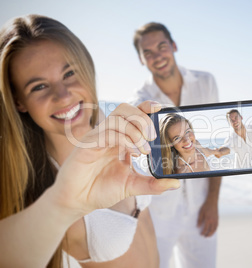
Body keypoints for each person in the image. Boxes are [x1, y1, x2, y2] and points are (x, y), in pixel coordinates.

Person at [0, 14, 180, 268]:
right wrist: (63, 203)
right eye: (39, 87)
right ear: (19, 101)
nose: (63, 97)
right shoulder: (42, 193)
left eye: (70, 72)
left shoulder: (105, 124)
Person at [131, 22, 221, 268]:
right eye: (147, 53)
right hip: (160, 211)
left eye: (162, 47)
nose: (157, 56)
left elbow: (214, 142)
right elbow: (145, 159)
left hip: (201, 205)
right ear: (141, 60)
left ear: (174, 46)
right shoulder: (140, 101)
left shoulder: (206, 83)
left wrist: (213, 201)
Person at [160, 113, 226, 175]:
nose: (187, 140)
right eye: (177, 138)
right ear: (169, 143)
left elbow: (208, 152)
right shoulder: (183, 170)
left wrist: (219, 152)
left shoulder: (196, 145)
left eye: (187, 132)